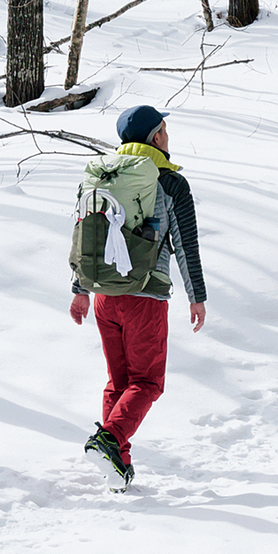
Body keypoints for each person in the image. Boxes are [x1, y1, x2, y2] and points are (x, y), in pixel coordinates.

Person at [70, 105, 207, 488]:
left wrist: (80, 290)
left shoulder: (104, 177)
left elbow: (86, 237)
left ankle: (118, 466)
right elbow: (186, 244)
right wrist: (197, 296)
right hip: (144, 296)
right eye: (164, 129)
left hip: (103, 296)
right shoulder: (170, 182)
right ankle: (110, 441)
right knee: (147, 382)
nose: (167, 134)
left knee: (119, 381)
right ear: (156, 137)